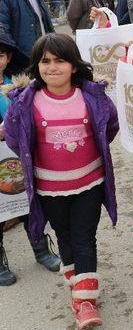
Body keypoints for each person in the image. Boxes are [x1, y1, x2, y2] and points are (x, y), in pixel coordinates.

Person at [4, 33, 119, 328]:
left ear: (74, 65)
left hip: (89, 185)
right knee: (64, 237)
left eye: (60, 60)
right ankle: (78, 285)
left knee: (83, 237)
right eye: (45, 61)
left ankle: (85, 302)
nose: (52, 68)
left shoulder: (91, 97)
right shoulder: (26, 102)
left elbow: (109, 126)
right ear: (36, 66)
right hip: (49, 188)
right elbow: (17, 140)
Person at [0, 33, 61, 287]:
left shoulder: (17, 86)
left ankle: (40, 249)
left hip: (17, 158)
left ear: (9, 57)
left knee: (28, 205)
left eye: (0, 55)